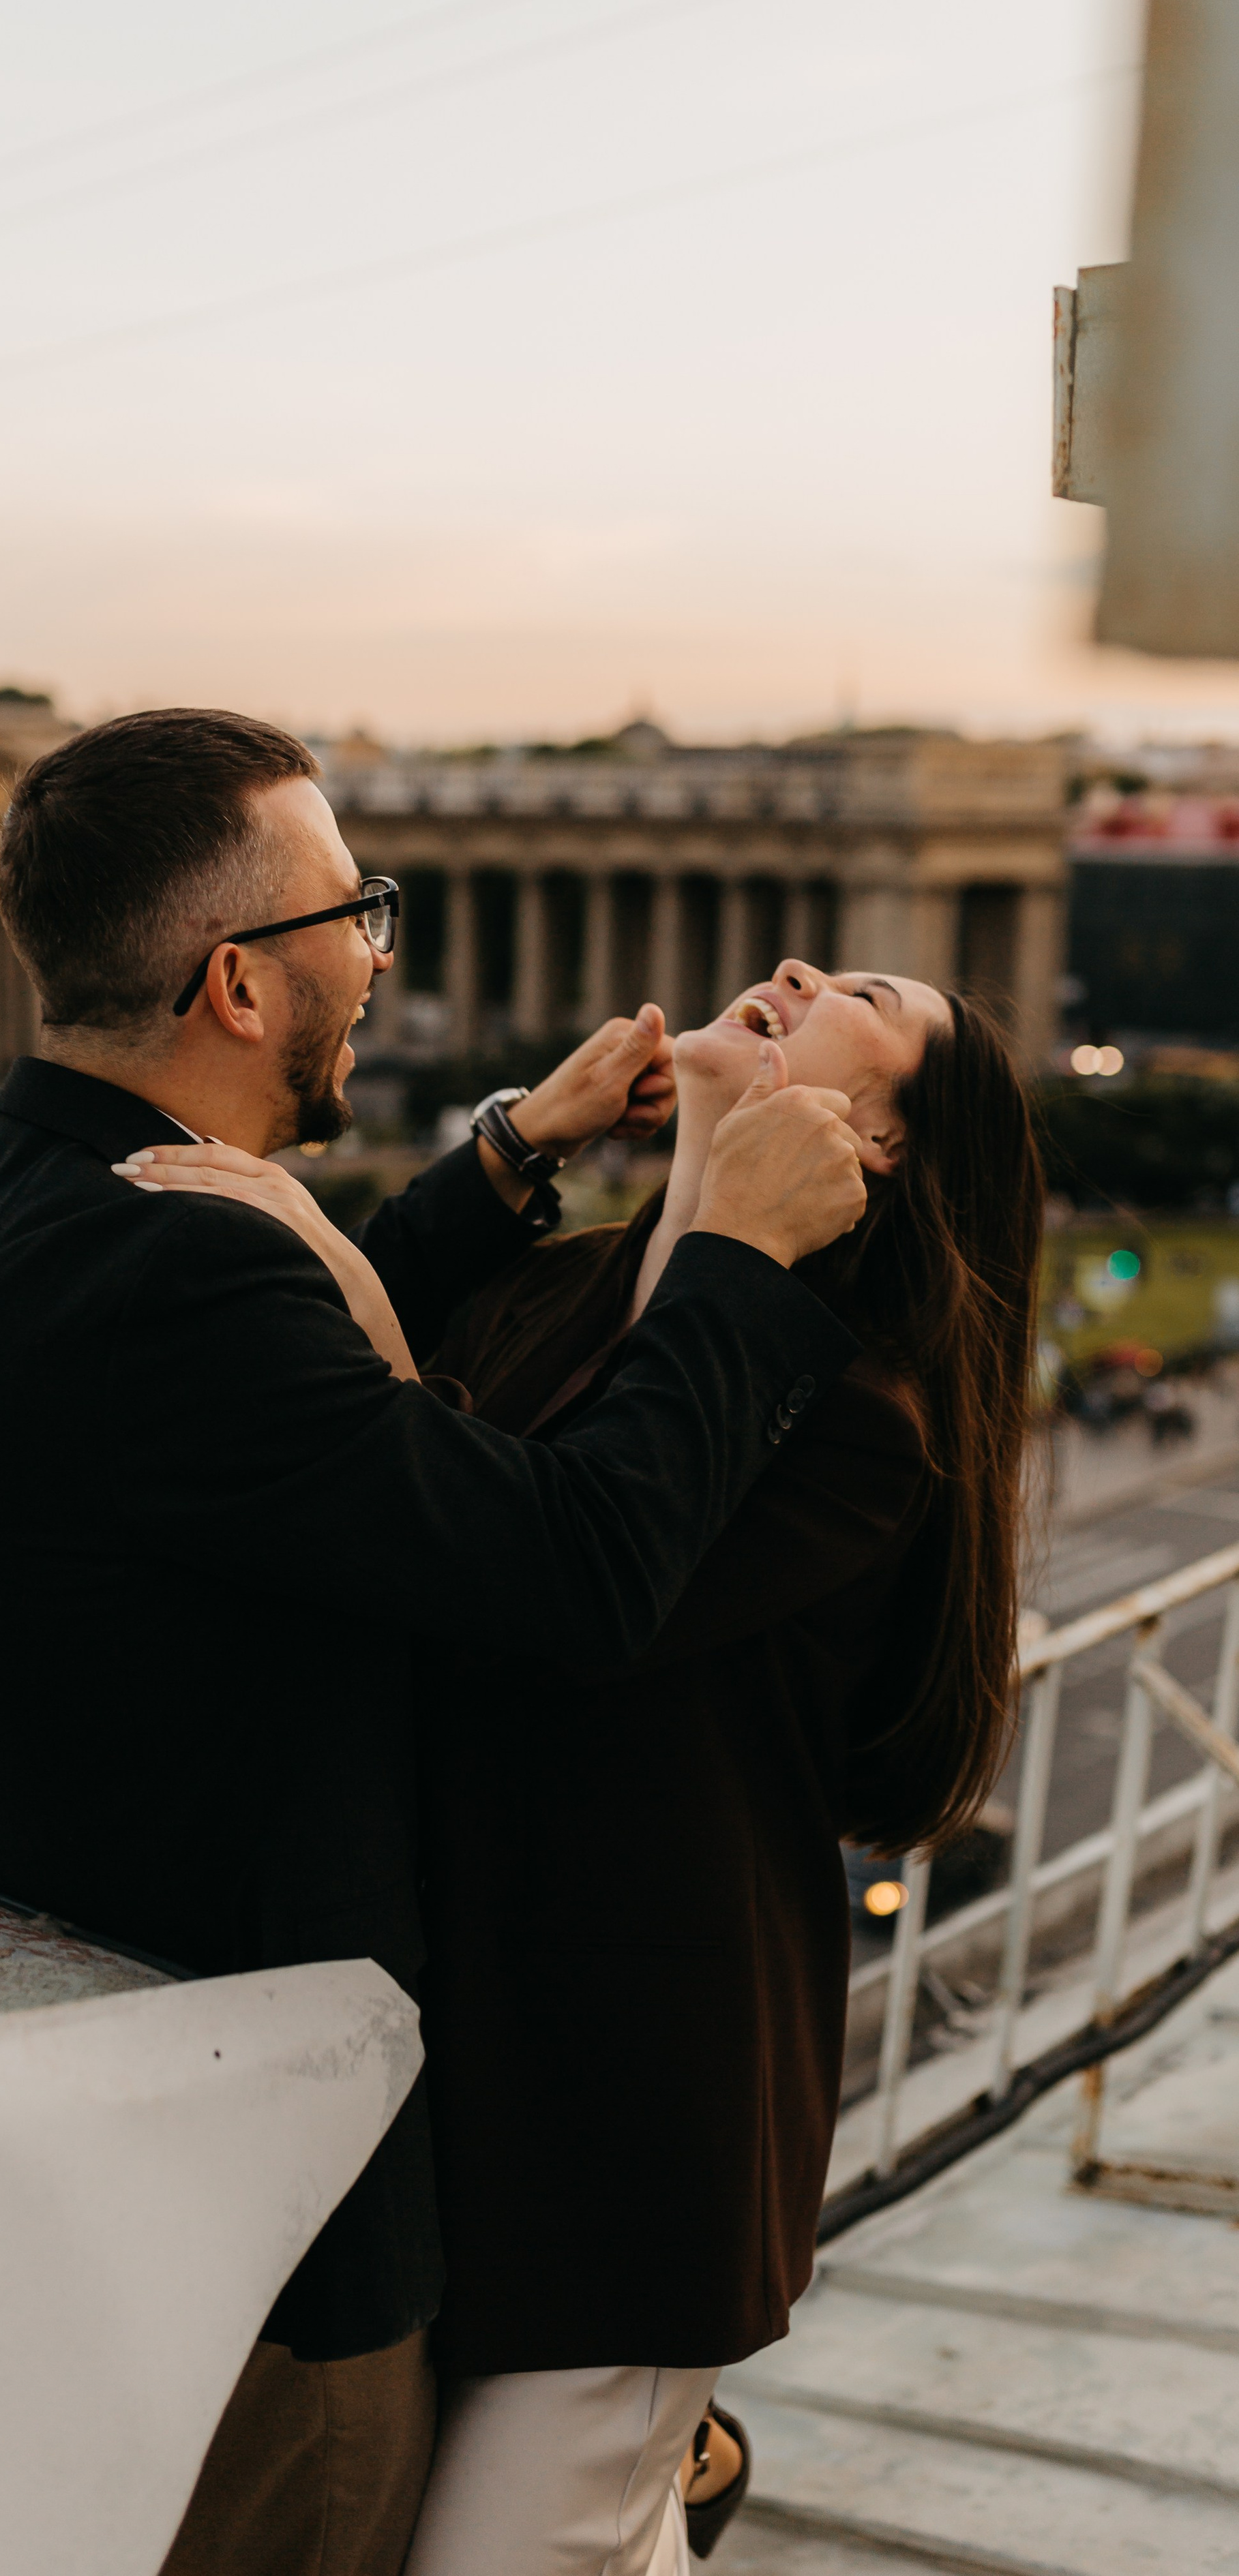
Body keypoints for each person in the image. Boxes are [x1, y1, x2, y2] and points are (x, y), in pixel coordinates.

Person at [0, 710, 869, 2576]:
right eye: (355, 913)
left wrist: (514, 1155)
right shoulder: (175, 1272)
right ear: (240, 982)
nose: (379, 957)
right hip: (273, 2194)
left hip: (107, 2102)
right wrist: (737, 1261)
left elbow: (275, 1438)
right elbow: (574, 1567)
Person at [383, 960, 1039, 2576]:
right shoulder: (563, 1282)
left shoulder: (856, 1415)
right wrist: (513, 1147)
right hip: (452, 2074)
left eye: (860, 994)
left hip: (621, 2124)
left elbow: (534, 1600)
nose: (793, 969)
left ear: (876, 1141)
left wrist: (723, 1241)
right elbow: (364, 1431)